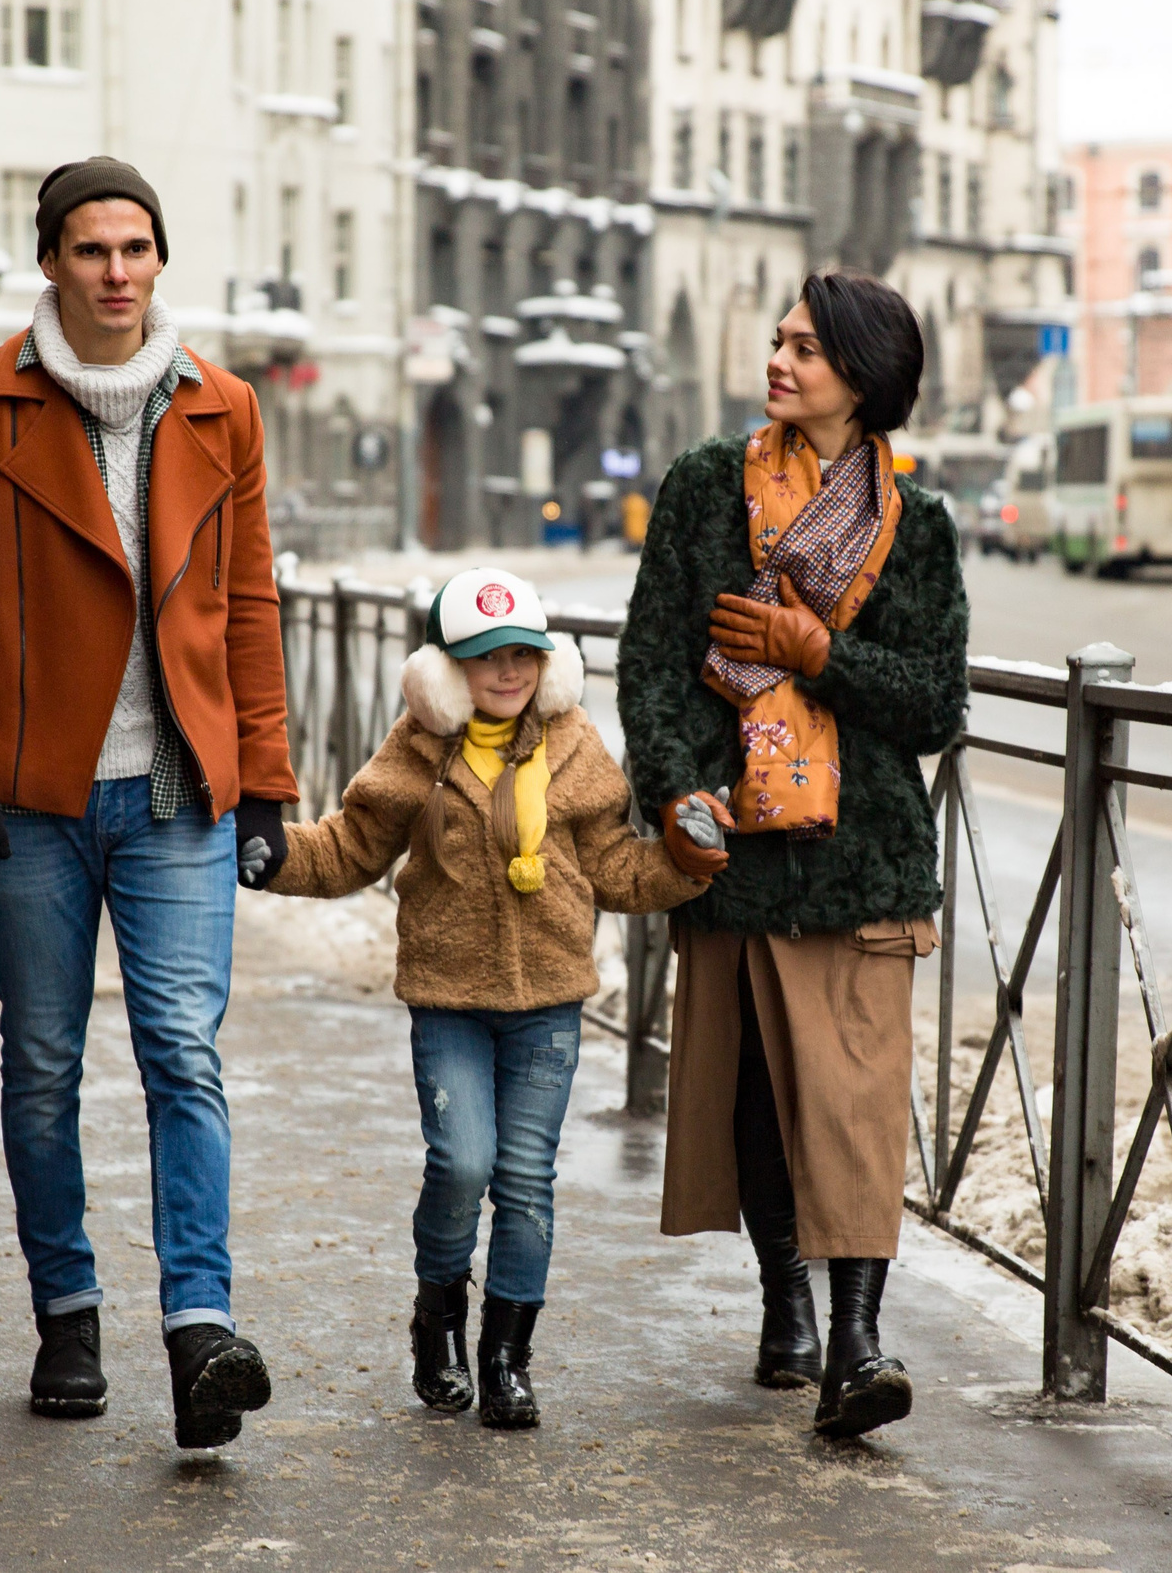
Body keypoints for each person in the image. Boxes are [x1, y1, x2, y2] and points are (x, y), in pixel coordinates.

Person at [0, 158, 300, 1451]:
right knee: (45, 1061)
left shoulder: (221, 406)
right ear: (50, 264)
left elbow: (249, 604)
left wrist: (271, 781)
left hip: (181, 793)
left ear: (160, 262)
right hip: (34, 798)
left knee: (185, 1051)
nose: (115, 271)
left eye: (135, 248)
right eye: (89, 249)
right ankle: (67, 1307)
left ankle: (200, 1332)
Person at [616, 268, 969, 1439]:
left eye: (806, 347)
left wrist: (819, 651)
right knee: (763, 1097)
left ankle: (857, 1340)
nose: (780, 360)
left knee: (860, 1101)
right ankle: (785, 1305)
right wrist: (677, 793)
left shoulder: (919, 528)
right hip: (740, 847)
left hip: (863, 854)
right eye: (777, 339)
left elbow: (931, 705)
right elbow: (655, 662)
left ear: (864, 376)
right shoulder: (709, 486)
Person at [251, 568, 727, 1429]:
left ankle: (507, 1357)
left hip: (548, 1004)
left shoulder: (575, 745)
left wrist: (684, 867)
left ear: (550, 665)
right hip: (448, 1000)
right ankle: (438, 1320)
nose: (507, 674)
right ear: (444, 671)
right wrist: (272, 856)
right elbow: (351, 846)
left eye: (522, 656)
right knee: (463, 1164)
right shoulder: (418, 749)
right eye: (483, 659)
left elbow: (616, 866)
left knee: (526, 1182)